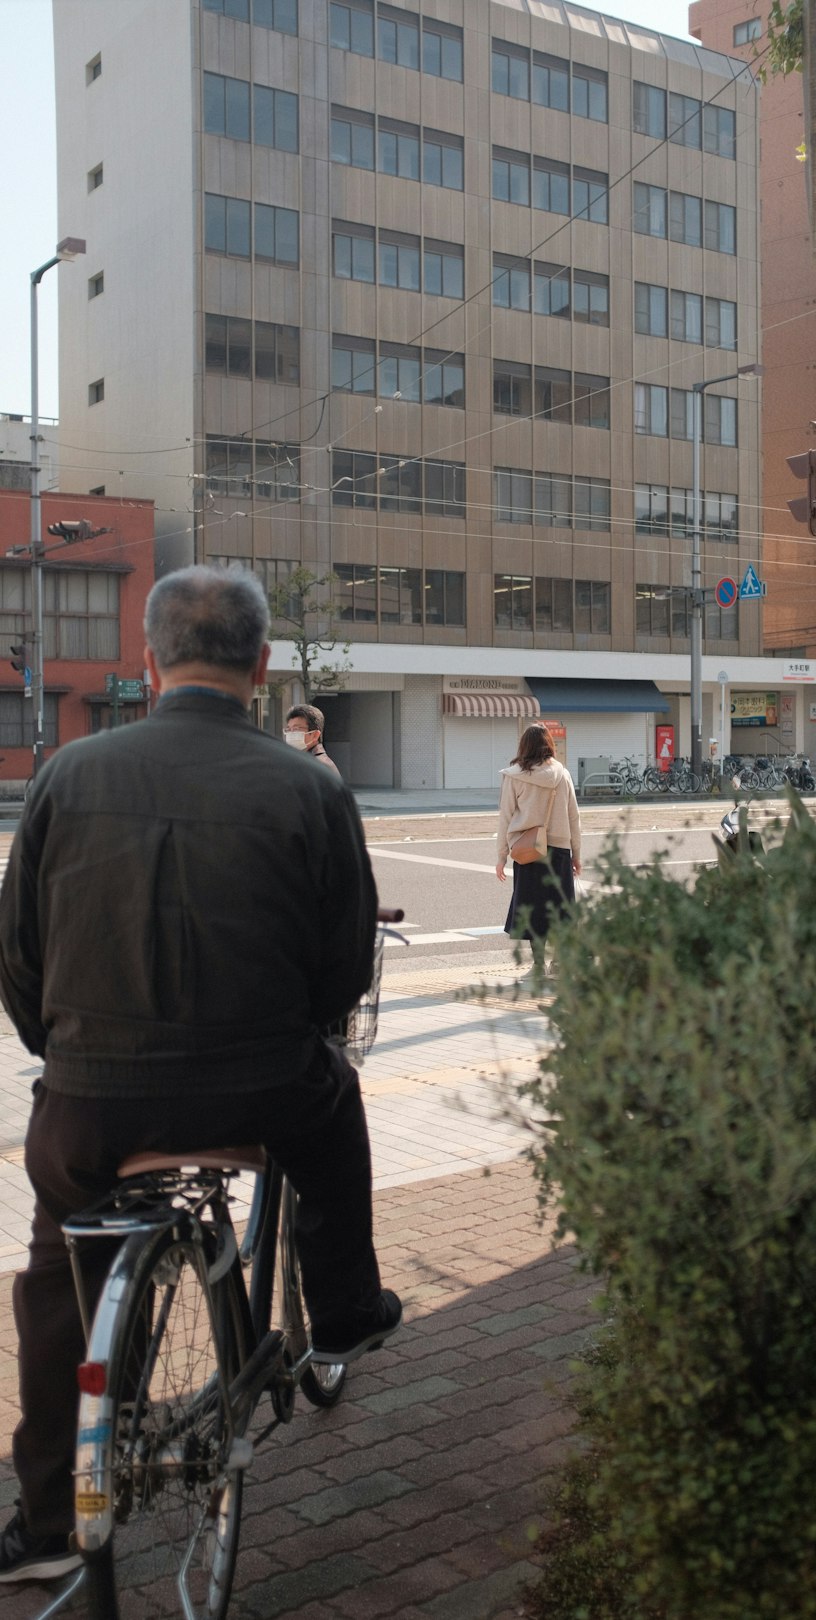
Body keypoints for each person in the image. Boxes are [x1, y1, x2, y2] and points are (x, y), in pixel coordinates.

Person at [0, 565, 401, 1584]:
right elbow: (343, 969)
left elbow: (18, 955)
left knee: (57, 1258)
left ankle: (47, 1518)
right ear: (261, 668)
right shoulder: (310, 786)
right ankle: (346, 1311)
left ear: (148, 660)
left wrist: (68, 1054)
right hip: (259, 1088)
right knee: (333, 1108)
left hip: (90, 1097)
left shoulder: (65, 775)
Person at [495, 723, 582, 978]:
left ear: (524, 746)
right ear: (549, 745)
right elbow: (574, 817)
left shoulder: (514, 777)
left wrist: (501, 856)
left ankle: (537, 966)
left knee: (532, 908)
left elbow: (505, 817)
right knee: (559, 908)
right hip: (559, 850)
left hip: (527, 850)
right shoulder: (562, 774)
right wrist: (577, 855)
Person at [284, 701, 339, 773]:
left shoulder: (318, 765)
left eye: (296, 729)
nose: (291, 733)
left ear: (315, 735)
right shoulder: (303, 760)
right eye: (288, 729)